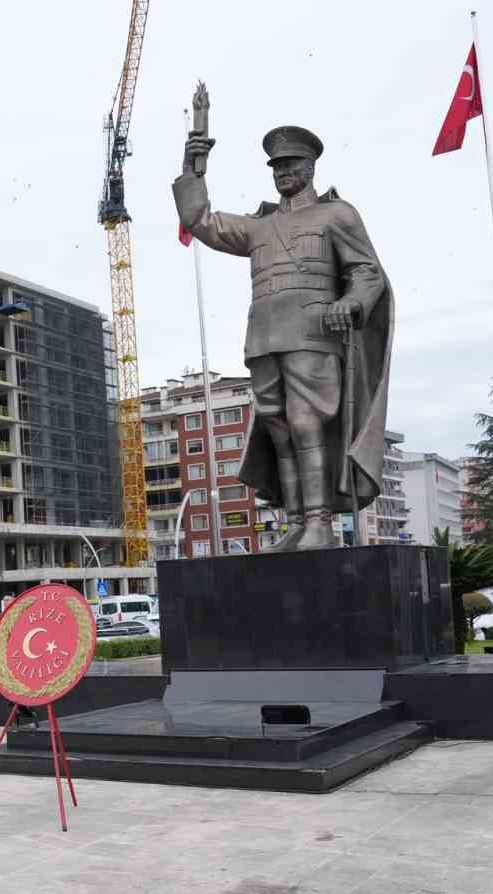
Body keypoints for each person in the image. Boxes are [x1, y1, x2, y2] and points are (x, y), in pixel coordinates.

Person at [174, 91, 391, 552]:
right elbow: (198, 219)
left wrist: (350, 304)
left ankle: (319, 524)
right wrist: (194, 167)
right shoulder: (258, 226)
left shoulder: (337, 213)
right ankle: (295, 522)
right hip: (264, 337)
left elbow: (367, 272)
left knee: (307, 421)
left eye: (291, 163)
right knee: (278, 427)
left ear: (311, 166)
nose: (283, 171)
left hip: (314, 334)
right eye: (276, 166)